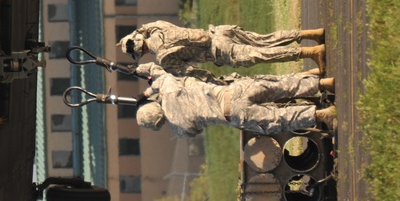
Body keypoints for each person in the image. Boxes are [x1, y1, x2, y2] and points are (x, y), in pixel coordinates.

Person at [134, 62, 336, 138]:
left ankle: (321, 115)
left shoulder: (179, 128)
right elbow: (155, 71)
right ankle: (323, 84)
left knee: (279, 118)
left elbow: (195, 131)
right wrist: (145, 93)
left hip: (234, 114)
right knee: (280, 86)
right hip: (233, 91)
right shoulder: (168, 88)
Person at [118, 20, 326, 75]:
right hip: (218, 32)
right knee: (265, 40)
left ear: (139, 54)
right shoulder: (158, 28)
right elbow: (145, 27)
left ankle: (310, 53)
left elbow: (192, 73)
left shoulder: (163, 59)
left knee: (264, 55)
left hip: (220, 52)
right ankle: (311, 34)